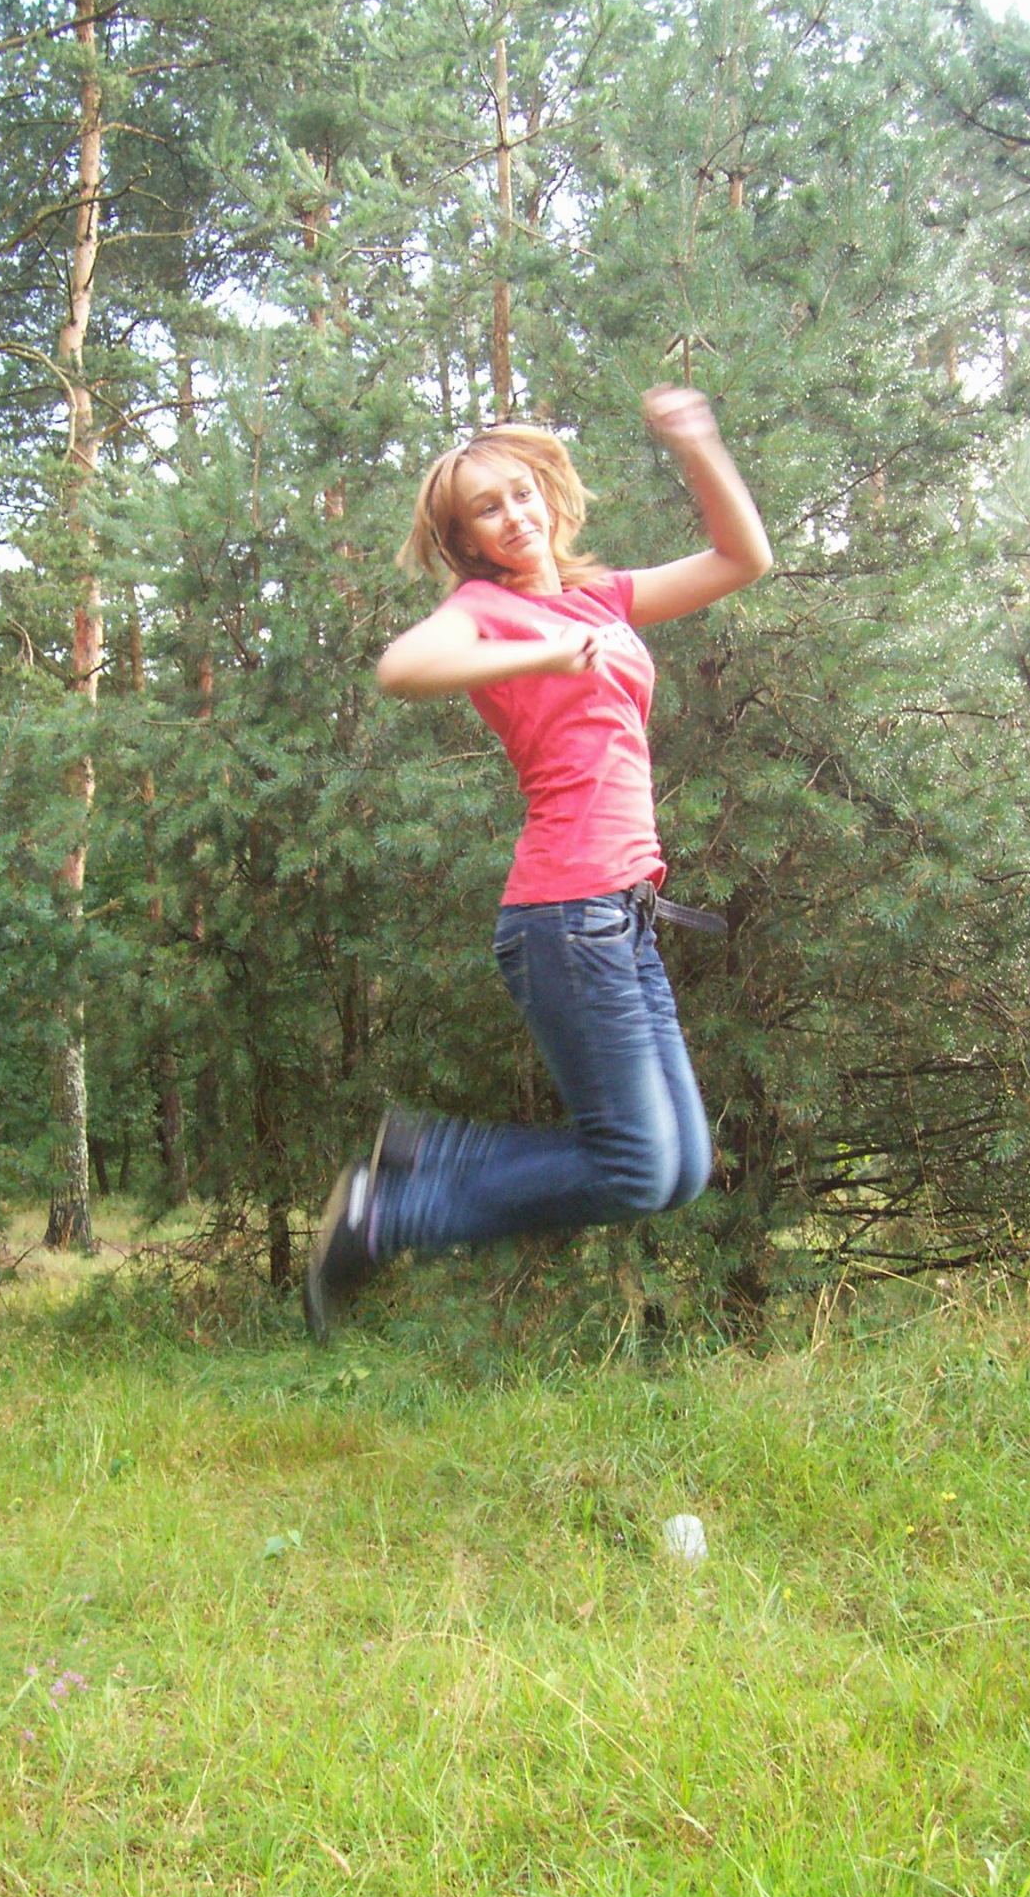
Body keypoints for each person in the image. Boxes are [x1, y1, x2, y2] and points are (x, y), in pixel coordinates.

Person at [305, 386, 772, 1341]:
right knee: (636, 1167)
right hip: (567, 910)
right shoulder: (483, 608)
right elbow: (401, 669)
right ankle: (387, 1214)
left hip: (622, 915)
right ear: (465, 540)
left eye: (522, 494)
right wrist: (542, 655)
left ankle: (429, 1151)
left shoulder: (604, 599)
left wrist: (697, 445)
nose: (514, 516)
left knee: (678, 1172)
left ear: (549, 495)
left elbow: (742, 559)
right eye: (487, 508)